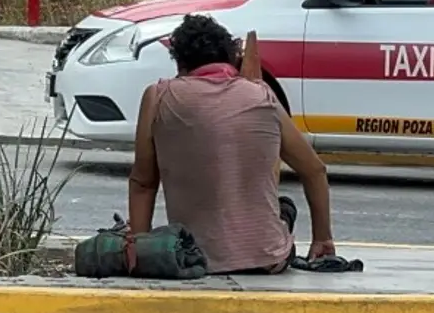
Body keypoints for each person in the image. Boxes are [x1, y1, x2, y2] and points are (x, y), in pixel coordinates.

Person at [127, 15, 336, 274]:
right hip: (268, 260)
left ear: (179, 61)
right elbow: (314, 170)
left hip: (191, 257)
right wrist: (322, 240)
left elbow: (143, 183)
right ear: (229, 57)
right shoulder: (263, 96)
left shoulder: (158, 97)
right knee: (284, 207)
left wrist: (140, 249)